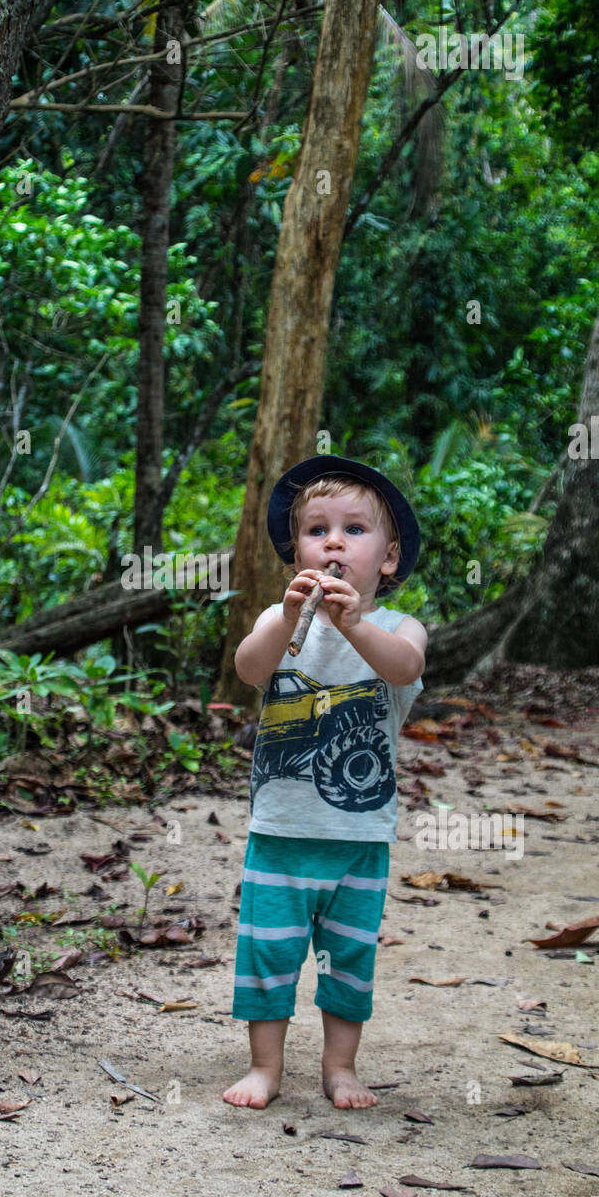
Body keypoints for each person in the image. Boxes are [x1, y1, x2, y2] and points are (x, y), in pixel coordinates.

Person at [223, 455, 428, 1110]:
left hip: (358, 837)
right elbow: (250, 669)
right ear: (296, 553)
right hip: (280, 834)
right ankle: (265, 1068)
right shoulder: (276, 624)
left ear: (388, 558)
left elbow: (403, 669)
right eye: (316, 530)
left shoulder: (396, 629)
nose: (334, 542)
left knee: (348, 959)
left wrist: (353, 625)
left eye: (354, 530)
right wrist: (288, 619)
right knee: (269, 954)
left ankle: (341, 1068)